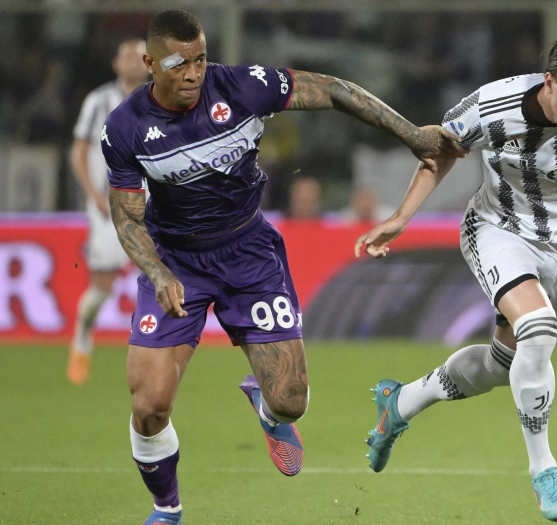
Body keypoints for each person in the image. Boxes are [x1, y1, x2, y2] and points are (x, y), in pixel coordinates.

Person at [101, 10, 464, 525]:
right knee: (150, 405)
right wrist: (158, 273)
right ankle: (167, 509)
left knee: (292, 400)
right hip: (178, 261)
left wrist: (411, 135)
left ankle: (268, 410)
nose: (193, 73)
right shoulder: (125, 127)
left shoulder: (242, 87)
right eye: (180, 63)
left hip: (248, 252)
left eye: (200, 59)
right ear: (150, 63)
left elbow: (333, 89)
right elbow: (127, 218)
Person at [355, 34, 557, 522]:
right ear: (549, 82)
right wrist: (401, 217)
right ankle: (544, 470)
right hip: (495, 229)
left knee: (506, 363)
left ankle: (402, 401)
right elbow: (441, 151)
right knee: (537, 328)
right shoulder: (493, 104)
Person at [67, 39, 150, 385]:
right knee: (101, 286)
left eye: (138, 56)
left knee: (161, 276)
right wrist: (92, 194)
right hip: (108, 205)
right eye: (125, 55)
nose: (132, 61)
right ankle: (82, 340)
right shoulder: (98, 101)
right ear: (115, 63)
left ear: (149, 63)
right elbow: (78, 152)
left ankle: (155, 351)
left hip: (151, 205)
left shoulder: (163, 99)